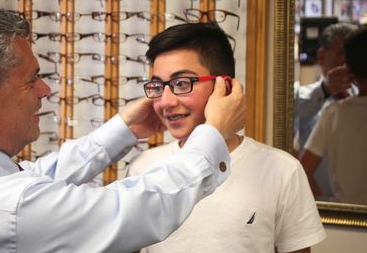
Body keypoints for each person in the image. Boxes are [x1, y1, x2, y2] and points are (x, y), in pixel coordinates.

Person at [0, 7, 246, 252]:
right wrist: (213, 133)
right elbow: (136, 208)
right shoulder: (8, 209)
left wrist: (124, 129)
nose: (45, 90)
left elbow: (37, 182)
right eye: (31, 79)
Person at [128, 22, 325, 253]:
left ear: (225, 86)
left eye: (182, 83)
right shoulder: (143, 168)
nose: (166, 102)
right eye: (158, 86)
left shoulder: (282, 170)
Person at [300, 27, 367, 205]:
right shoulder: (326, 109)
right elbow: (302, 171)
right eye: (340, 54)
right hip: (340, 216)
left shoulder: (335, 112)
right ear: (322, 56)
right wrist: (325, 203)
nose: (343, 62)